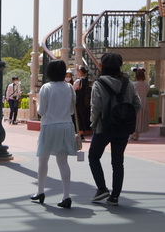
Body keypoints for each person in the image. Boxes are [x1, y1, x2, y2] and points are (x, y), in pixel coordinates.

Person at [88, 52, 141, 205]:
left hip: (104, 127)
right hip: (123, 128)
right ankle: (115, 196)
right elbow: (137, 105)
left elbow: (95, 108)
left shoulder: (99, 84)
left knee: (93, 156)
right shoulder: (128, 83)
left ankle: (102, 188)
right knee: (118, 162)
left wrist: (93, 124)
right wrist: (125, 117)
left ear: (102, 66)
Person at [30, 59, 77, 209]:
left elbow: (41, 111)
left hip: (49, 125)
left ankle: (40, 191)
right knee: (63, 162)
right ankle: (66, 196)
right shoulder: (69, 87)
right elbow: (71, 110)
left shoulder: (46, 87)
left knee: (43, 159)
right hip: (66, 125)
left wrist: (36, 103)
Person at [130, 67, 150, 141]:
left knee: (135, 118)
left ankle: (134, 133)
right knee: (141, 119)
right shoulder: (146, 85)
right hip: (144, 102)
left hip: (135, 102)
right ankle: (136, 134)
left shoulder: (133, 84)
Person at [73, 65, 92, 137]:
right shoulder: (87, 81)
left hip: (79, 102)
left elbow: (73, 90)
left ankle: (80, 133)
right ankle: (83, 132)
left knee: (78, 117)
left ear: (80, 72)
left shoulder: (78, 81)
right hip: (86, 102)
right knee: (84, 117)